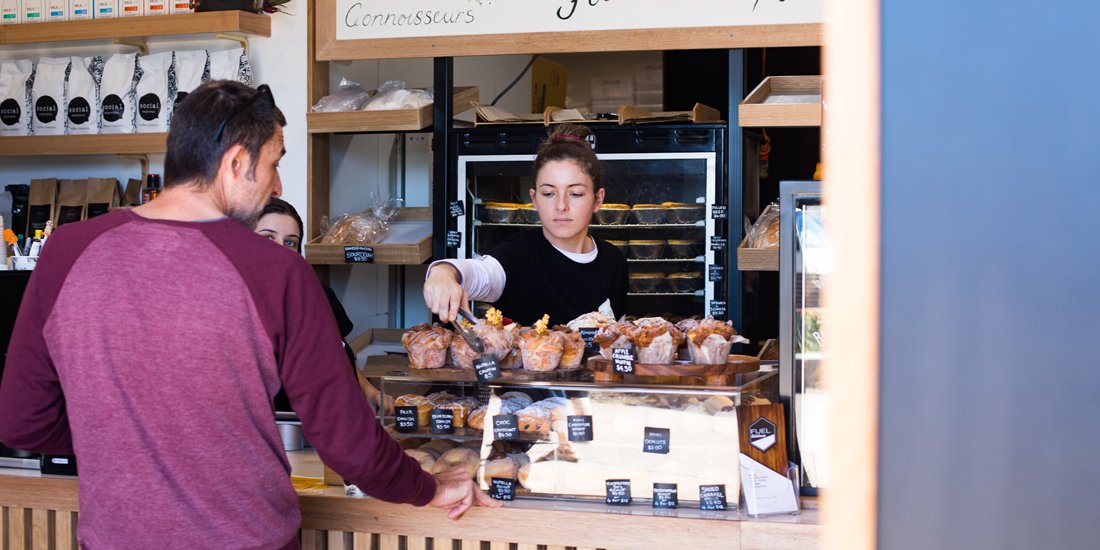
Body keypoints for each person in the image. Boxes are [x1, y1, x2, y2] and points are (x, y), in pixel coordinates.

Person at [0, 80, 497, 550]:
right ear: (237, 162)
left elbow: (21, 421)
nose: (278, 182)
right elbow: (350, 446)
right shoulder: (275, 271)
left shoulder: (67, 250)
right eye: (275, 163)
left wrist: (126, 443)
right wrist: (431, 488)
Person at [424, 124, 628, 326]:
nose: (561, 206)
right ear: (535, 199)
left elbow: (616, 341)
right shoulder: (518, 255)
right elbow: (481, 273)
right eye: (548, 193)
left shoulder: (614, 261)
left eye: (575, 194)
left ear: (598, 200)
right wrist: (444, 273)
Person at [256, 197, 393, 414]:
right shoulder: (234, 309)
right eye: (267, 237)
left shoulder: (319, 294)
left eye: (290, 242)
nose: (280, 249)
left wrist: (368, 391)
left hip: (332, 427)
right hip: (283, 434)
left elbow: (340, 353)